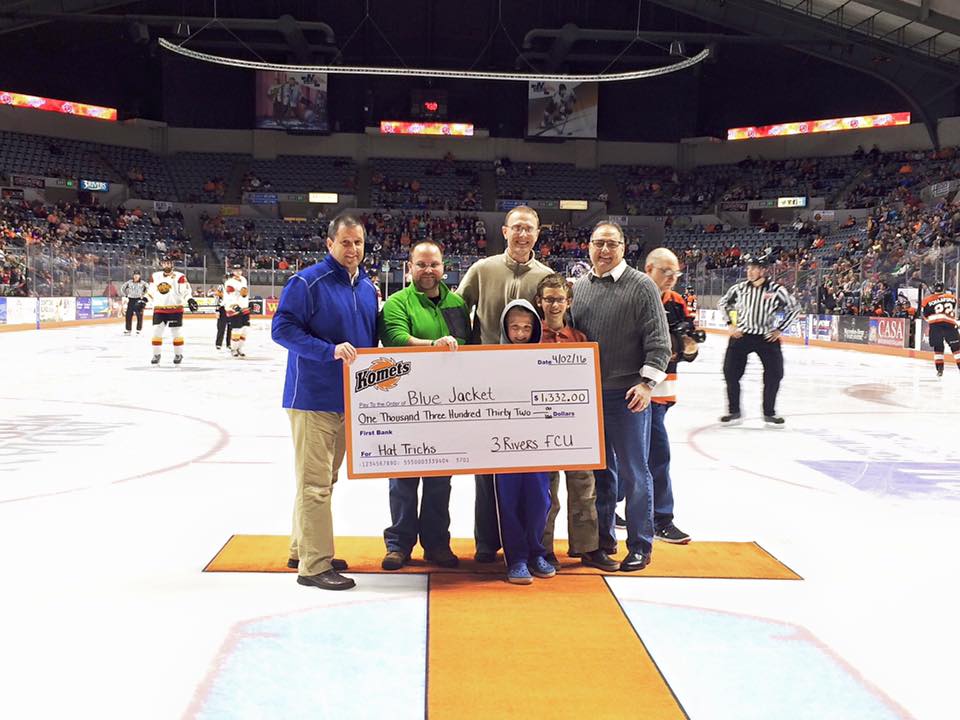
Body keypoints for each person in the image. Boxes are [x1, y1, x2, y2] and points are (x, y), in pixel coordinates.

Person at [271, 213, 378, 591]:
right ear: (329, 243)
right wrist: (327, 351)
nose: (353, 249)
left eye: (359, 243)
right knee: (315, 483)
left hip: (347, 399)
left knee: (323, 481)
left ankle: (302, 548)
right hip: (312, 397)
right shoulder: (307, 281)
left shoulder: (366, 287)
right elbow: (281, 329)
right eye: (346, 242)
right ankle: (314, 566)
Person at [570, 221, 671, 572]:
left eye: (612, 244)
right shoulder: (579, 288)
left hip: (628, 397)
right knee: (601, 475)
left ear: (623, 247)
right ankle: (602, 541)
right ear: (589, 247)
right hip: (588, 398)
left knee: (634, 473)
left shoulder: (642, 286)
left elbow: (660, 343)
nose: (605, 250)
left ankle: (641, 544)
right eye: (599, 243)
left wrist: (646, 385)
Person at [456, 205, 553, 563]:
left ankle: (534, 544)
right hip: (485, 381)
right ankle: (486, 541)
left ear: (538, 233)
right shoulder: (483, 270)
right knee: (485, 467)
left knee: (532, 471)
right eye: (517, 228)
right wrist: (464, 355)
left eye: (529, 229)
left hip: (529, 386)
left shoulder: (546, 275)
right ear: (505, 232)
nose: (523, 234)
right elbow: (457, 310)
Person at [378, 241, 469, 571]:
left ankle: (436, 544)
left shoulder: (457, 303)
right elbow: (396, 340)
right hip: (403, 406)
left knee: (439, 482)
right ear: (410, 267)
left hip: (445, 407)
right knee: (402, 480)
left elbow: (468, 349)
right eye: (421, 265)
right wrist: (435, 345)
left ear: (444, 267)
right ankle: (399, 545)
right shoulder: (397, 303)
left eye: (434, 265)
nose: (428, 271)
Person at [535, 274, 618, 572]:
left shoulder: (580, 339)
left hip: (575, 426)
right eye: (549, 299)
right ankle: (542, 549)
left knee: (585, 488)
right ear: (539, 302)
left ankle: (588, 548)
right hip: (542, 426)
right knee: (547, 493)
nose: (554, 305)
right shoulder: (533, 337)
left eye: (559, 299)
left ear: (568, 302)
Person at [495, 299, 555, 584]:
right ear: (505, 328)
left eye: (526, 328)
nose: (520, 333)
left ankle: (536, 552)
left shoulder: (546, 361)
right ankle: (516, 557)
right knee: (509, 501)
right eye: (514, 327)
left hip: (538, 445)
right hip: (503, 446)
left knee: (539, 499)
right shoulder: (489, 361)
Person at [644, 249, 698, 544]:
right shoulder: (636, 293)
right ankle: (661, 518)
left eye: (676, 274)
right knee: (657, 455)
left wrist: (687, 346)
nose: (672, 279)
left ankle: (617, 504)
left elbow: (691, 349)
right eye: (666, 272)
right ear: (650, 268)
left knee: (642, 455)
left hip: (663, 391)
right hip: (639, 389)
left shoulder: (677, 303)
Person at [717, 255, 800, 425]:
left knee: (775, 374)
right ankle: (734, 411)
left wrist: (779, 329)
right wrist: (730, 324)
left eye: (754, 268)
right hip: (742, 336)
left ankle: (769, 412)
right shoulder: (739, 289)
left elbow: (794, 308)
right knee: (730, 373)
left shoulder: (776, 290)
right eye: (748, 268)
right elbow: (723, 303)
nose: (750, 271)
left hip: (766, 337)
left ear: (763, 270)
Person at [147, 256, 197, 365]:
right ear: (161, 264)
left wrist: (190, 300)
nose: (166, 265)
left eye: (168, 263)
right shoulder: (155, 276)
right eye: (164, 263)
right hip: (159, 309)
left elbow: (185, 292)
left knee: (176, 333)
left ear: (172, 264)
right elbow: (151, 292)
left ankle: (178, 354)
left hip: (175, 309)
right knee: (156, 332)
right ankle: (156, 354)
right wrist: (144, 300)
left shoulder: (180, 276)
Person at [920, 282, 960, 377]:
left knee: (938, 349)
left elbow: (924, 314)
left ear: (934, 288)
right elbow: (954, 305)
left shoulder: (927, 300)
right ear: (943, 288)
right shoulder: (952, 297)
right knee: (957, 349)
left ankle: (939, 370)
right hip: (950, 324)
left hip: (935, 325)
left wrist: (930, 320)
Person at [223, 264, 251, 358]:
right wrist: (234, 305)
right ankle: (233, 349)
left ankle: (240, 348)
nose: (238, 272)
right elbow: (229, 296)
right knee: (236, 330)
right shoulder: (229, 282)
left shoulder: (244, 279)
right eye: (236, 270)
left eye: (239, 270)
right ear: (232, 271)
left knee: (245, 329)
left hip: (244, 307)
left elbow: (245, 293)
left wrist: (247, 303)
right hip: (233, 308)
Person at [119, 271, 148, 335]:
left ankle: (138, 330)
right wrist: (125, 295)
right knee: (128, 315)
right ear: (133, 275)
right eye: (135, 275)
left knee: (139, 315)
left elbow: (148, 289)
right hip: (131, 300)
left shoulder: (143, 283)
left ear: (140, 276)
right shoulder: (129, 282)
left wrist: (143, 295)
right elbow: (122, 288)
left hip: (139, 300)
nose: (136, 276)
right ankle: (128, 329)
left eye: (137, 275)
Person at [214, 277, 231, 351]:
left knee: (231, 327)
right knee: (221, 327)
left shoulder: (233, 287)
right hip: (222, 309)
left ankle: (229, 343)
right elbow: (217, 298)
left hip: (230, 308)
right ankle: (218, 343)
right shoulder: (221, 287)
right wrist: (217, 310)